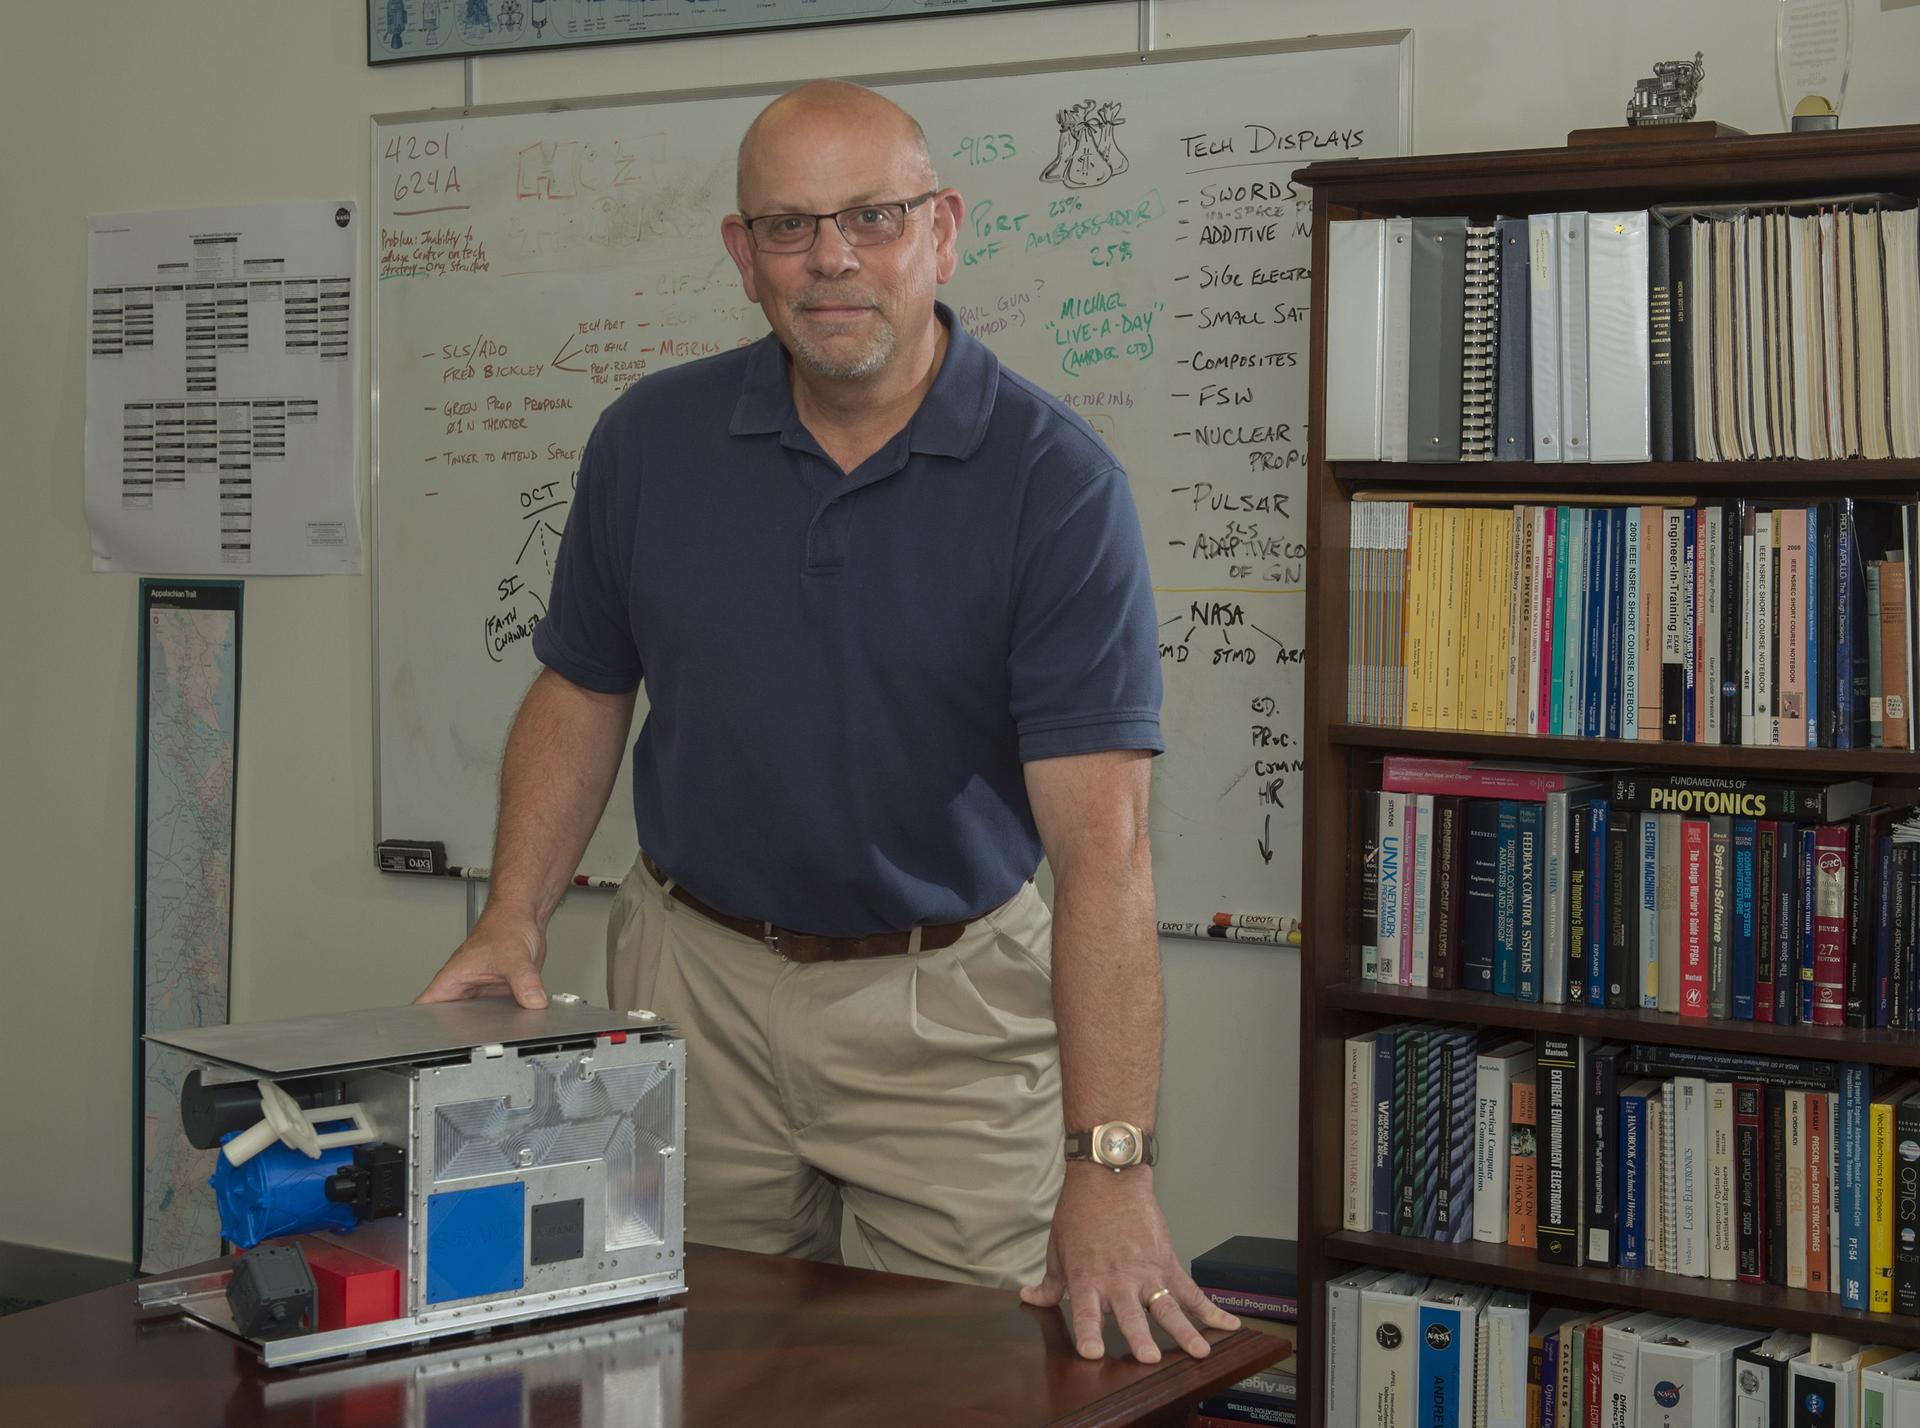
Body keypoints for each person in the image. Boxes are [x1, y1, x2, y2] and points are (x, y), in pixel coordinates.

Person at [417, 79, 1237, 1364]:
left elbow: (1105, 851)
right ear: (743, 257)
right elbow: (583, 688)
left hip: (949, 1010)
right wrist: (510, 915)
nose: (832, 258)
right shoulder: (648, 441)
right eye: (789, 227)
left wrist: (1110, 1164)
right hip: (693, 985)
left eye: (873, 216)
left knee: (970, 1379)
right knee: (667, 1360)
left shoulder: (1056, 485)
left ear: (942, 232)